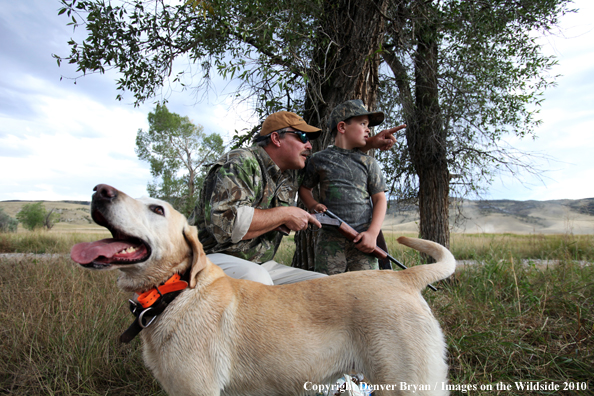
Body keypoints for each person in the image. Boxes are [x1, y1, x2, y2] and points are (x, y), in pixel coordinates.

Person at [192, 110, 398, 285]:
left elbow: (334, 162)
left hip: (262, 264)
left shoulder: (293, 171)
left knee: (323, 286)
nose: (309, 146)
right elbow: (225, 226)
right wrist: (284, 214)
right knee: (257, 279)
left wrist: (369, 143)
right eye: (303, 137)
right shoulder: (241, 163)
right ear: (276, 138)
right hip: (211, 259)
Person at [299, 99, 396, 275]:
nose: (368, 129)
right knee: (329, 290)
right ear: (342, 127)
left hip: (364, 240)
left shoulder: (369, 163)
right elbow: (304, 189)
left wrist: (373, 234)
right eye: (363, 124)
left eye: (368, 125)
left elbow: (380, 199)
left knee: (365, 292)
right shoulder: (318, 160)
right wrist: (312, 205)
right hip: (329, 240)